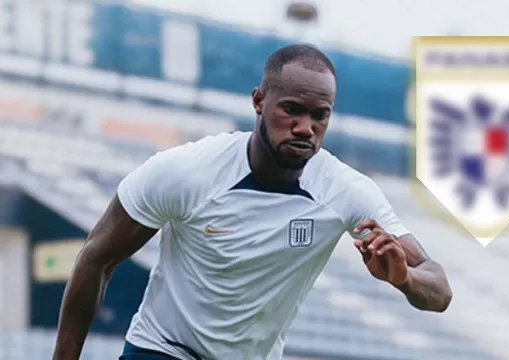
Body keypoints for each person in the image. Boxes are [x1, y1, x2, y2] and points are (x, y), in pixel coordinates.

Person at [52, 44, 452, 360]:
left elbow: (439, 289)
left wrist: (404, 279)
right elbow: (96, 257)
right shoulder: (186, 172)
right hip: (163, 349)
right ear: (259, 101)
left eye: (320, 116)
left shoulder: (345, 190)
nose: (305, 127)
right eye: (291, 109)